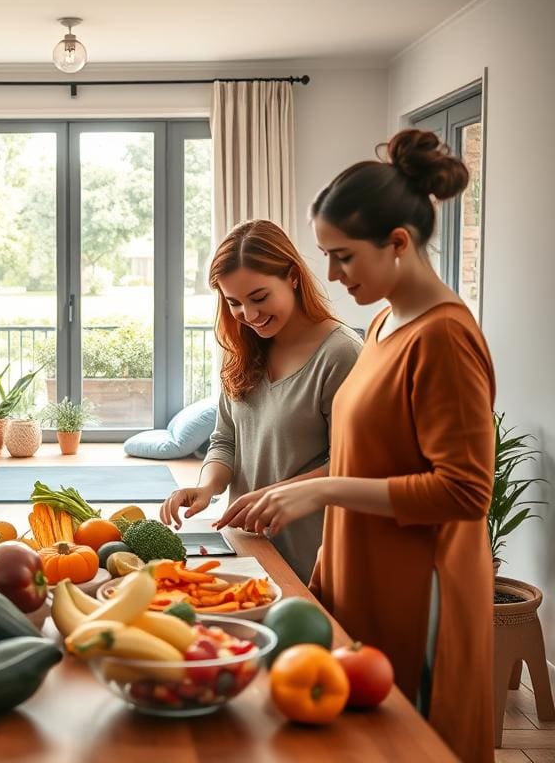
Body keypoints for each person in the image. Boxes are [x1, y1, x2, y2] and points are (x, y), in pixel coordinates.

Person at [223, 130, 495, 762]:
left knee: (402, 745)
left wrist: (316, 488)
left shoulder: (445, 338)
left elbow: (464, 490)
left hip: (415, 588)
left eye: (342, 256)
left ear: (397, 243)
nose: (330, 275)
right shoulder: (382, 321)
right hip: (357, 571)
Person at [160, 219, 362, 580]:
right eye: (234, 302)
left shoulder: (341, 353)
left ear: (292, 277)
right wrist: (205, 488)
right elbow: (225, 441)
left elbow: (356, 462)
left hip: (312, 557)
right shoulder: (241, 347)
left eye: (259, 297)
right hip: (247, 547)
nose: (249, 316)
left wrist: (276, 495)